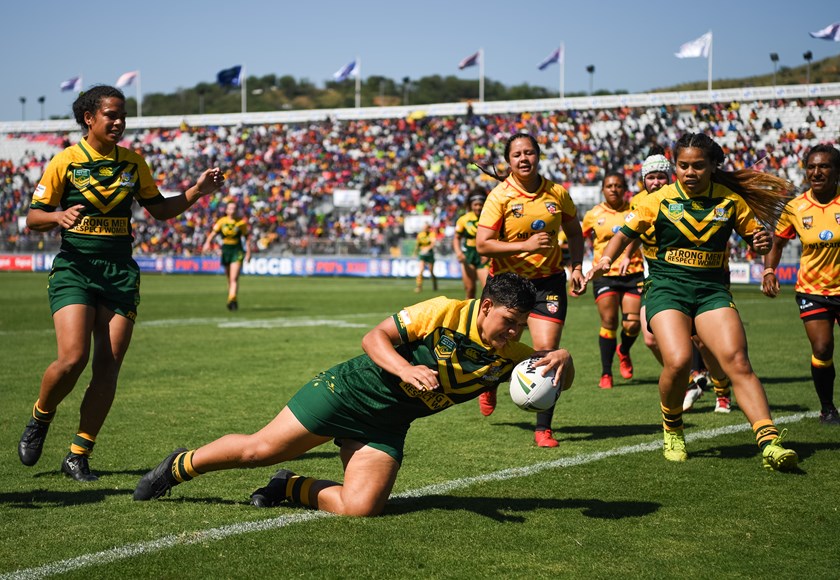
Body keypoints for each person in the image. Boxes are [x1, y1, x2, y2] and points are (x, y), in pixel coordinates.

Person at [133, 273, 575, 515]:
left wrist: (565, 362)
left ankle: (288, 487)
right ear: (484, 307)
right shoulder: (441, 311)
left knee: (360, 508)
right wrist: (406, 368)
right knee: (257, 449)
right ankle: (176, 467)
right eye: (509, 320)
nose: (515, 330)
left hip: (385, 424)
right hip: (346, 392)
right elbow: (373, 338)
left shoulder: (511, 356)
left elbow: (555, 381)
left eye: (521, 323)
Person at [17, 85, 225, 481]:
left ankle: (78, 454)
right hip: (76, 268)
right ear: (88, 118)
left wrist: (198, 190)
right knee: (72, 358)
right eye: (110, 115)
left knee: (108, 366)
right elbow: (33, 217)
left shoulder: (133, 163)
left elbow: (160, 209)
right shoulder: (66, 161)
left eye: (122, 115)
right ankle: (40, 417)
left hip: (120, 273)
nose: (118, 122)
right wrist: (56, 218)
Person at [585, 132, 798, 470]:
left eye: (698, 166)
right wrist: (604, 262)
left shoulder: (730, 201)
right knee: (680, 360)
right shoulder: (656, 200)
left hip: (712, 291)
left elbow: (757, 241)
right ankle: (672, 427)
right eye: (683, 165)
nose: (689, 172)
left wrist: (760, 245)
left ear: (714, 166)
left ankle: (770, 441)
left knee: (737, 362)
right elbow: (621, 235)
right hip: (667, 288)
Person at [474, 132, 586, 448]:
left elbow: (575, 233)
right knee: (497, 346)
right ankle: (491, 381)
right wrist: (524, 245)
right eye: (517, 155)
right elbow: (482, 245)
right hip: (508, 286)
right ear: (508, 161)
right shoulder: (499, 197)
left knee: (547, 353)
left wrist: (576, 266)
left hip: (548, 282)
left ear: (538, 155)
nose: (524, 159)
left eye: (529, 153)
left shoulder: (558, 193)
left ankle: (543, 428)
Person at [624, 149, 732, 413]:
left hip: (699, 277)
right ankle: (685, 379)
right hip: (658, 277)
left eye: (662, 176)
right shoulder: (639, 203)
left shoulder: (680, 198)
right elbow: (635, 231)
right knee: (650, 339)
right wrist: (626, 254)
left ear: (670, 177)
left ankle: (722, 390)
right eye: (651, 177)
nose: (656, 182)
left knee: (703, 341)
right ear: (644, 181)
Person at [762, 144, 840, 426]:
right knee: (822, 348)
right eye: (811, 167)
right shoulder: (795, 207)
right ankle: (828, 408)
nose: (816, 172)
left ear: (836, 171)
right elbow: (778, 241)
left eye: (824, 166)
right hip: (813, 290)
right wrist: (769, 269)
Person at [582, 172, 643, 389]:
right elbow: (576, 237)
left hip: (633, 271)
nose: (614, 189)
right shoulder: (593, 214)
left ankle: (624, 350)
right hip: (605, 274)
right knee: (609, 322)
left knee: (633, 324)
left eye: (618, 185)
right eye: (609, 186)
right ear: (603, 189)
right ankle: (606, 373)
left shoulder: (635, 210)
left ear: (624, 188)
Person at [202, 200, 252, 311]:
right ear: (226, 210)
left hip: (237, 250)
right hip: (226, 250)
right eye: (230, 208)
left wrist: (249, 252)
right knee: (229, 278)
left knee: (234, 278)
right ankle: (232, 298)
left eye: (234, 208)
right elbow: (213, 233)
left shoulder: (241, 223)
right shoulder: (222, 221)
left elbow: (247, 239)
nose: (232, 210)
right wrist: (207, 243)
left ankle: (232, 299)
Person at [452, 188, 489, 299]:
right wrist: (458, 252)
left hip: (484, 256)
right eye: (475, 204)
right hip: (469, 255)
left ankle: (485, 316)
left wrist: (489, 254)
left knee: (487, 290)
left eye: (480, 204)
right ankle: (469, 316)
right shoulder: (464, 219)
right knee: (470, 289)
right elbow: (456, 238)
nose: (478, 207)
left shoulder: (489, 218)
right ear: (471, 205)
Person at [413, 222, 437, 292]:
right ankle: (419, 286)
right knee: (421, 270)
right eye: (424, 228)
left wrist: (427, 248)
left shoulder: (432, 234)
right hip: (422, 255)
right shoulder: (420, 235)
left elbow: (433, 243)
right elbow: (418, 244)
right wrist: (415, 252)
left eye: (427, 228)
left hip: (430, 255)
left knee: (431, 271)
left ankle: (434, 284)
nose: (425, 229)